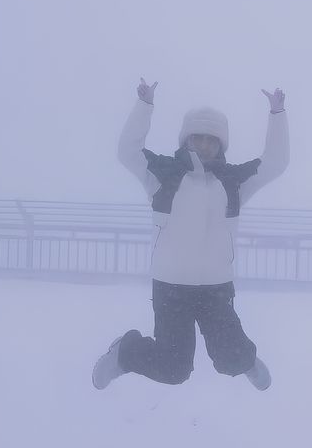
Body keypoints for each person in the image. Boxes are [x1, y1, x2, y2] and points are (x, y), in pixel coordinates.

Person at [92, 78, 289, 392]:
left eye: (211, 140)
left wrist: (277, 115)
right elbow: (127, 152)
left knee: (233, 358)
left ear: (221, 144)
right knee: (173, 369)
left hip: (216, 287)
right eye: (197, 138)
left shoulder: (233, 181)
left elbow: (274, 164)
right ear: (186, 140)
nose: (204, 145)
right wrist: (145, 106)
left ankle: (246, 362)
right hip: (171, 288)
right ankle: (125, 353)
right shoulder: (163, 174)